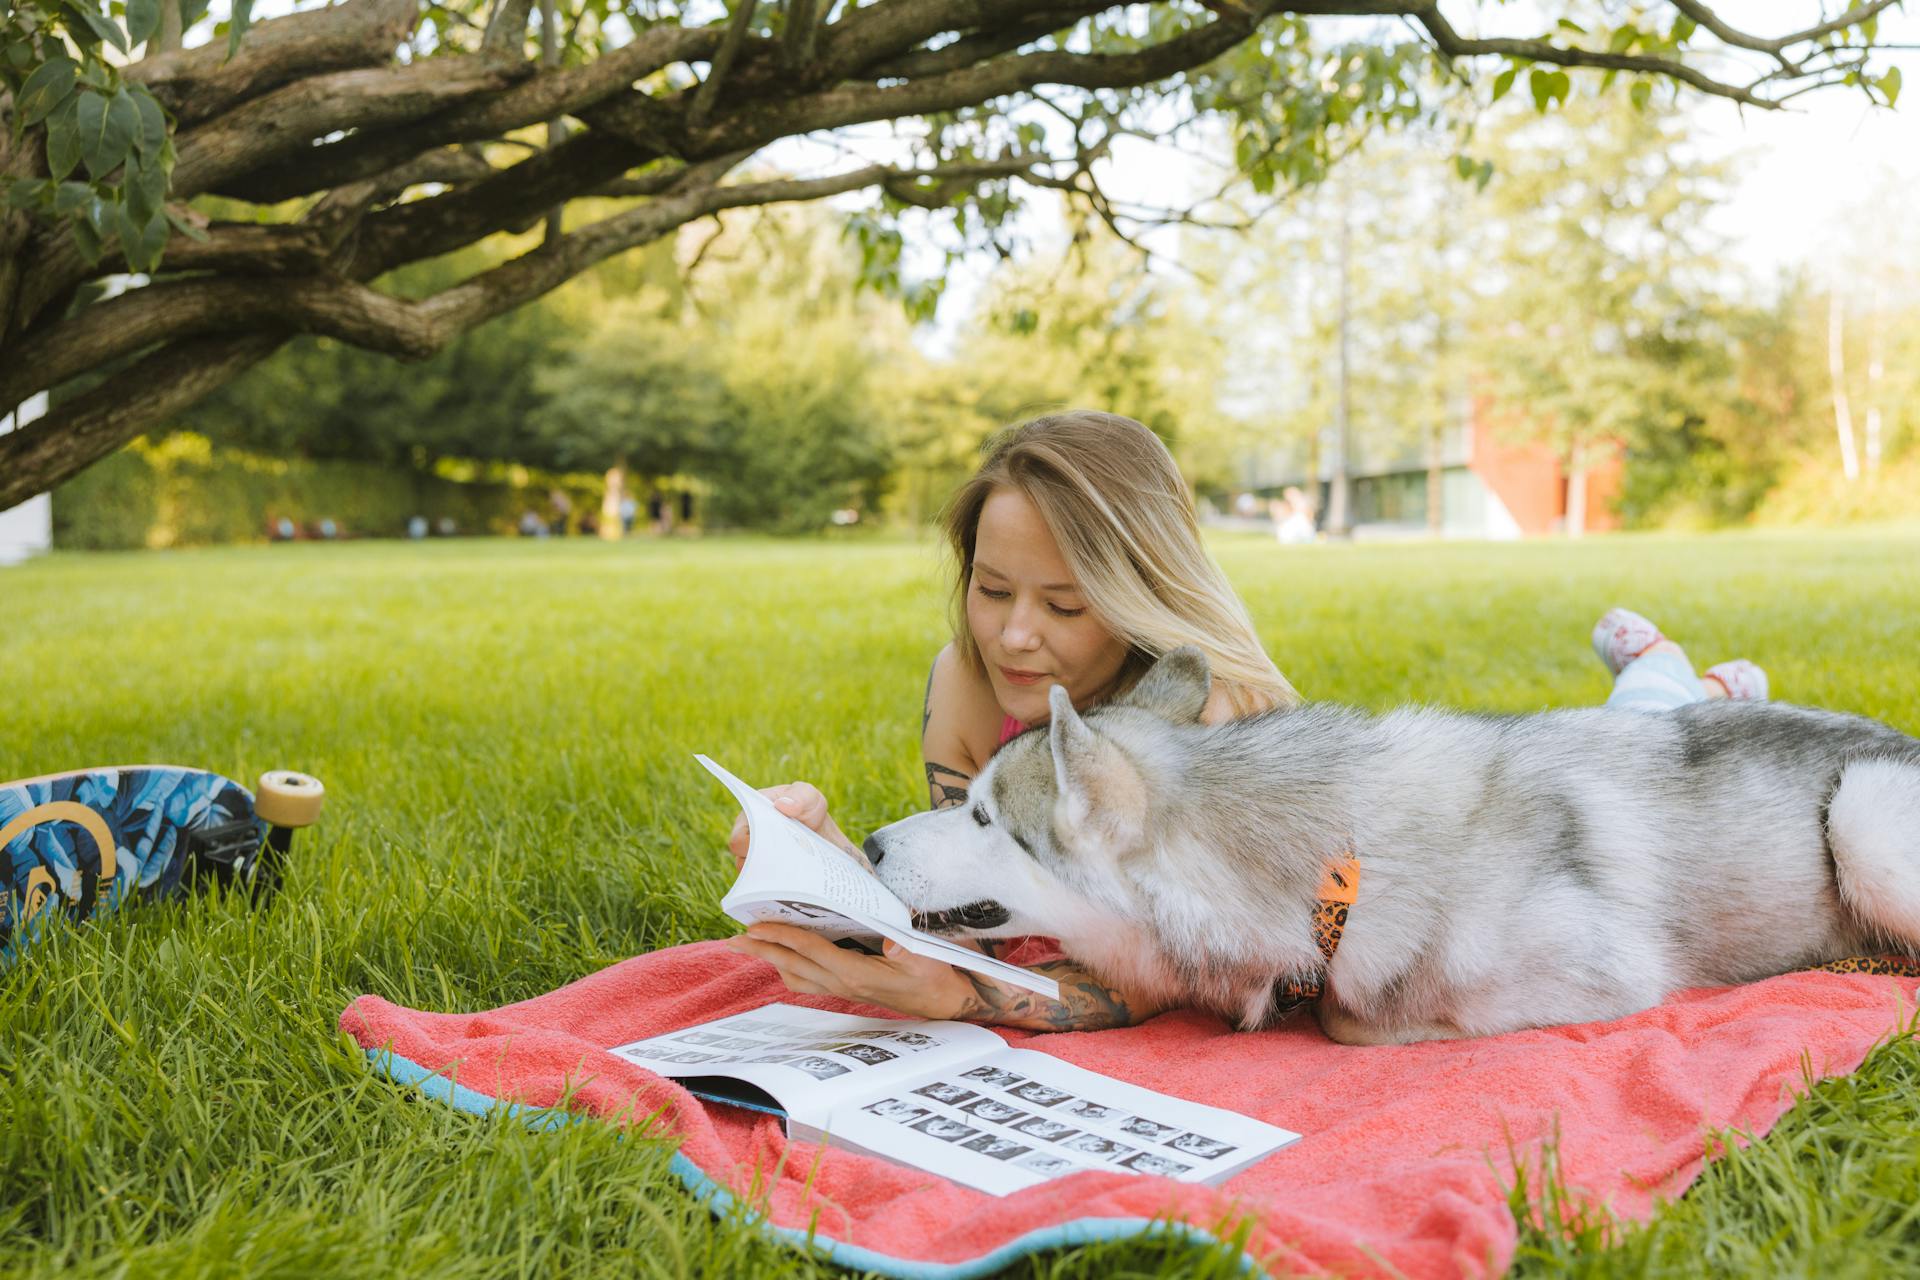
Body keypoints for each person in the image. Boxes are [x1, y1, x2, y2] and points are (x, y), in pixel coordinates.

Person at [723, 411, 1768, 1032]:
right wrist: (824, 873)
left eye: (1066, 604)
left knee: (1628, 746)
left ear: (1137, 595)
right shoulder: (963, 678)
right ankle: (1670, 687)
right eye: (994, 588)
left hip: (1460, 834)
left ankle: (1683, 688)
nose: (1016, 636)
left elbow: (1179, 977)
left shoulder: (1202, 721)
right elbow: (976, 877)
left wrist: (962, 1000)